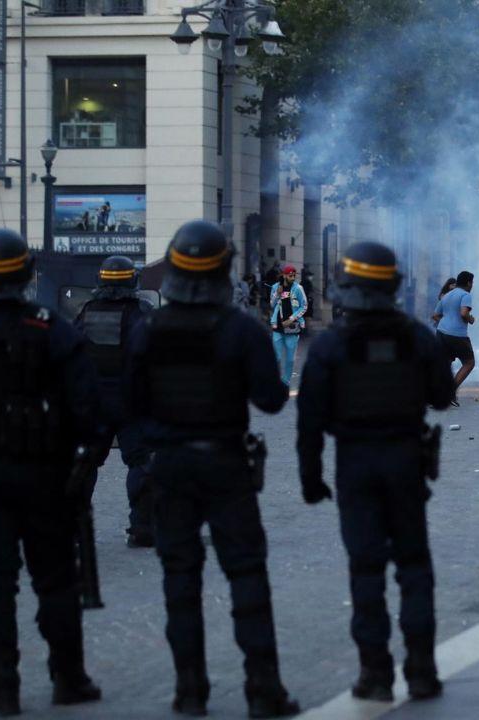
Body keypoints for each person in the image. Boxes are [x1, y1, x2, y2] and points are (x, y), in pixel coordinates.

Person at [124, 220, 299, 717]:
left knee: (180, 578)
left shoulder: (150, 328)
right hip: (225, 463)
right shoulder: (240, 328)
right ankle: (264, 689)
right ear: (225, 268)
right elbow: (269, 400)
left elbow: (132, 402)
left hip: (171, 466)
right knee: (246, 574)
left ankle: (189, 690)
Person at [0, 228, 105, 714]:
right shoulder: (53, 329)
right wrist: (84, 462)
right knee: (54, 580)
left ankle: (1, 685)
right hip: (44, 476)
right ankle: (68, 678)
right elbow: (90, 410)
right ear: (28, 275)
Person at [297, 242, 455, 702]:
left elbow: (310, 421)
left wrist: (311, 479)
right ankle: (422, 671)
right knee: (414, 566)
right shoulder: (418, 338)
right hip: (406, 461)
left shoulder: (330, 345)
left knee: (365, 568)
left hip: (356, 464)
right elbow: (442, 396)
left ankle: (376, 674)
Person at [73, 255, 156, 548]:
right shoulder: (142, 312)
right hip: (132, 401)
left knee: (84, 462)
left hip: (93, 401)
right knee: (142, 461)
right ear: (133, 281)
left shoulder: (86, 311)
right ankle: (143, 527)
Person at [431, 270, 475, 404]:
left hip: (441, 332)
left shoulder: (447, 295)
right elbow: (463, 313)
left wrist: (446, 323)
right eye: (472, 282)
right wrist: (470, 319)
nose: (472, 285)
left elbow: (435, 315)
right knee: (469, 363)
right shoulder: (466, 295)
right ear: (468, 283)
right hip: (457, 335)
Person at [268, 265, 307, 386]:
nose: (293, 277)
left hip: (292, 326)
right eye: (290, 275)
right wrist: (277, 294)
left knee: (290, 359)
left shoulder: (298, 288)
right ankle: (276, 380)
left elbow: (304, 306)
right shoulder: (275, 287)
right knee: (277, 357)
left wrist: (291, 319)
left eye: (295, 275)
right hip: (277, 326)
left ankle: (285, 382)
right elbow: (272, 304)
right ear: (284, 275)